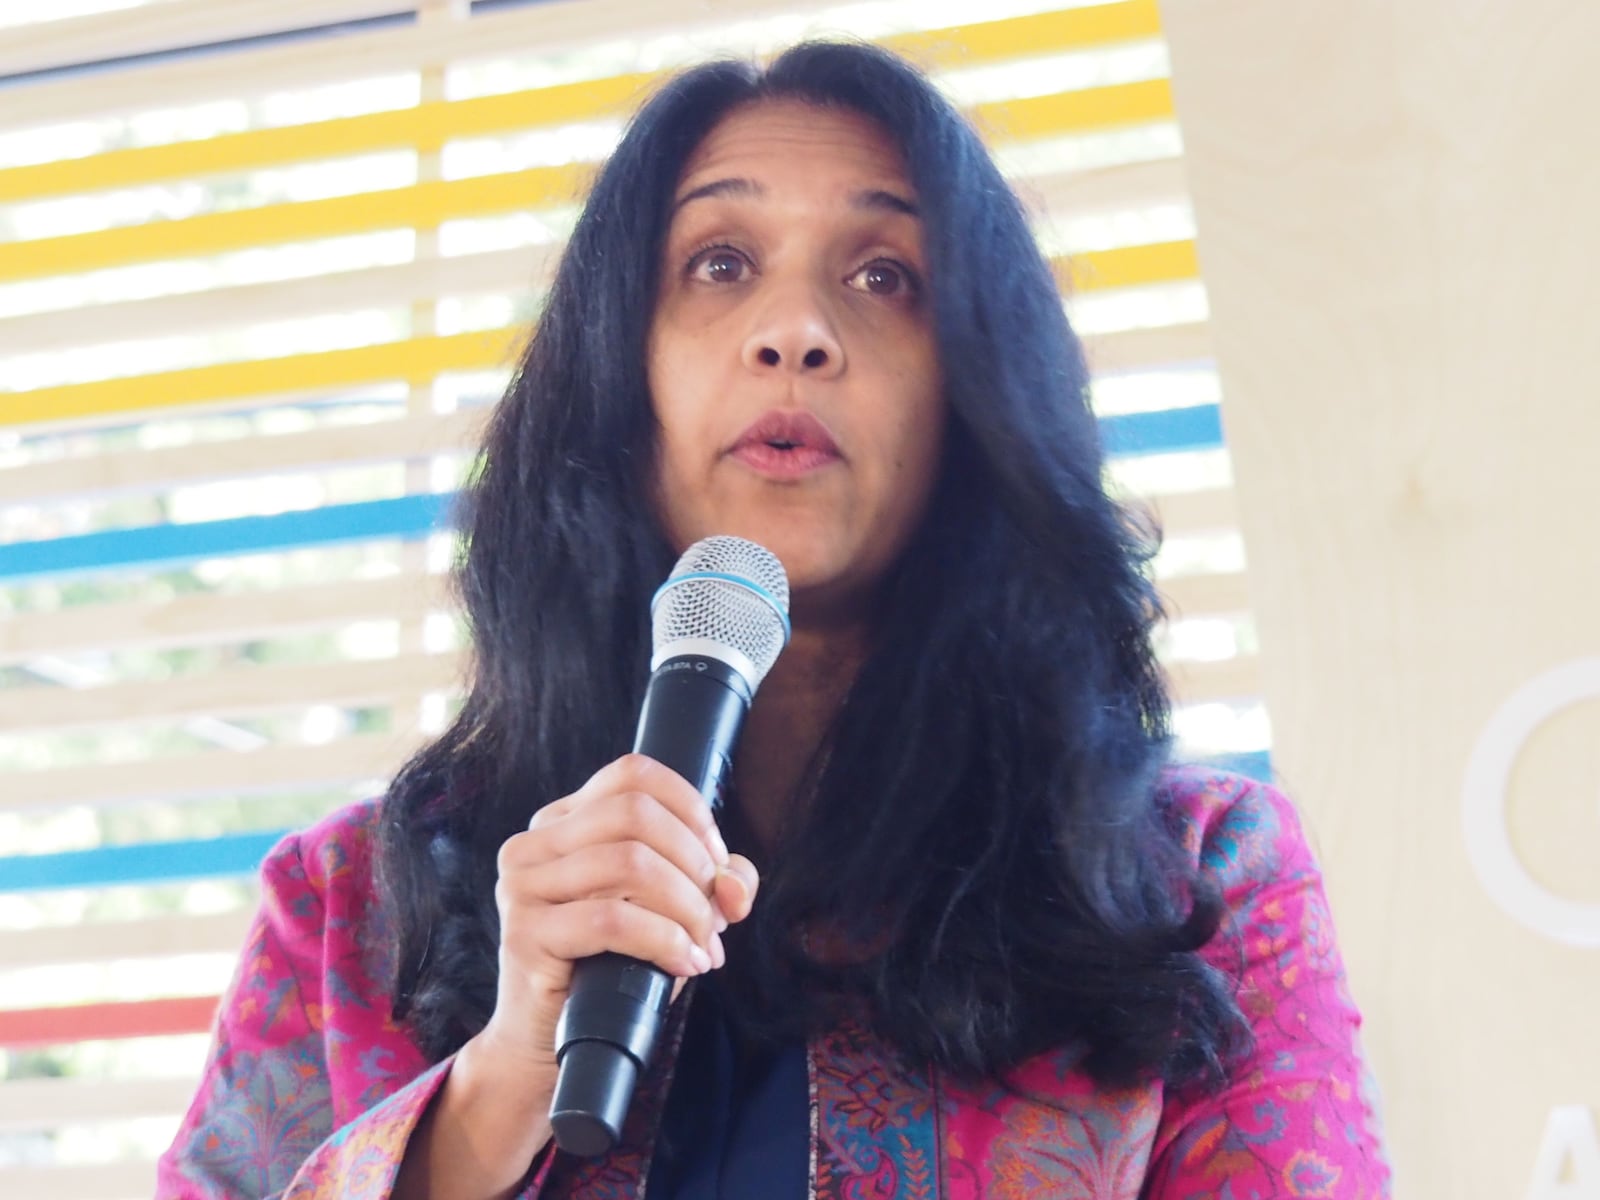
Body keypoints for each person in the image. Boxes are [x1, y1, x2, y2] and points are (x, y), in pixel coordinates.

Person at [158, 40, 1390, 1200]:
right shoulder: (343, 907)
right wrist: (494, 1094)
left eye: (882, 278)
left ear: (970, 392)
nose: (795, 333)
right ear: (617, 372)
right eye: (719, 264)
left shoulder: (1199, 879)